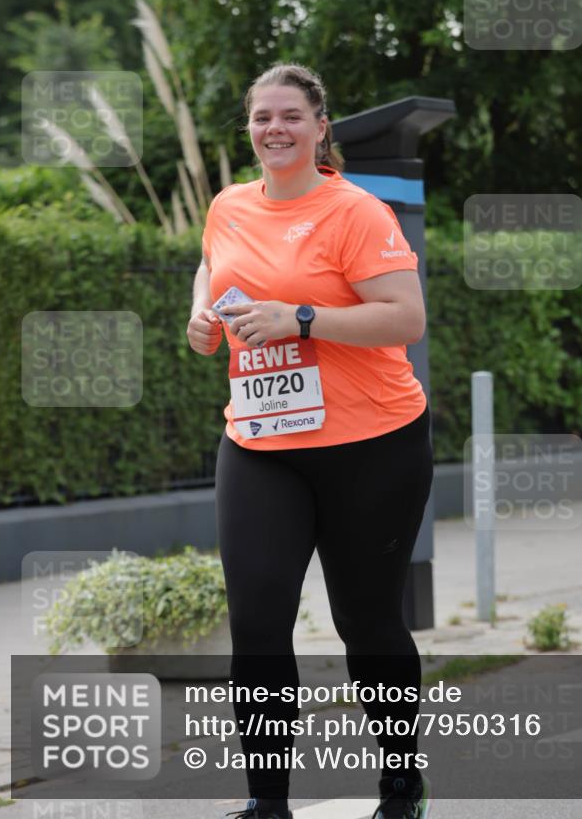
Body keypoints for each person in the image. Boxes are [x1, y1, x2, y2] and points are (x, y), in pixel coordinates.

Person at [187, 63, 433, 819]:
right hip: (261, 444)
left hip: (373, 443)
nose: (275, 129)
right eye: (262, 116)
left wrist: (300, 318)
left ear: (320, 128)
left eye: (291, 116)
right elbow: (211, 265)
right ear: (249, 128)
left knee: (366, 621)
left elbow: (405, 317)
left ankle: (400, 783)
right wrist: (200, 314)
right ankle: (267, 803)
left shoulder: (355, 212)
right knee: (258, 622)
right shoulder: (228, 204)